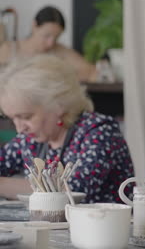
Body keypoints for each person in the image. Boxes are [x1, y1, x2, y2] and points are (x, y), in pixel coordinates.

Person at [0, 55, 134, 203]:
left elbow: (72, 191)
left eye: (26, 117)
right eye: (13, 119)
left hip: (103, 224)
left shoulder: (100, 132)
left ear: (58, 105)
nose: (19, 129)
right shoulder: (30, 139)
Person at [0, 6, 96, 82]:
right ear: (34, 25)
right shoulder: (9, 49)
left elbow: (91, 72)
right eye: (47, 36)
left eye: (56, 38)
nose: (51, 43)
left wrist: (59, 77)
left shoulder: (59, 50)